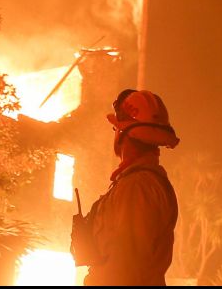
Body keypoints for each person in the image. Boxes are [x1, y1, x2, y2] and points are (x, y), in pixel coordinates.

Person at [70, 89, 180, 286]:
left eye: (116, 129)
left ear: (122, 133)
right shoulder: (138, 182)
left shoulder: (138, 186)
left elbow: (124, 266)